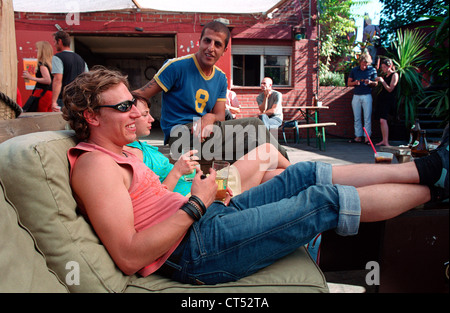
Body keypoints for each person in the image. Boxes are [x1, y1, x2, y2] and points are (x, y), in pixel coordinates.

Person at [62, 66, 448, 285]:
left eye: (135, 102)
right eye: (125, 106)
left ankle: (431, 171)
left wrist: (201, 196)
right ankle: (436, 188)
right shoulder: (95, 165)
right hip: (196, 248)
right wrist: (197, 201)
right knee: (320, 201)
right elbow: (129, 256)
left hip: (203, 218)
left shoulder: (125, 151)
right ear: (92, 117)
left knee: (305, 174)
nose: (137, 111)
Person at [135, 20, 288, 163]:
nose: (211, 48)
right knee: (254, 126)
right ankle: (294, 171)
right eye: (207, 41)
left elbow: (220, 114)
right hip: (180, 136)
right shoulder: (176, 67)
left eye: (217, 44)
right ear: (199, 42)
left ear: (224, 50)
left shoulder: (220, 78)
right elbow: (140, 95)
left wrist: (210, 116)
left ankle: (283, 174)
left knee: (259, 153)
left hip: (208, 134)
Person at [124, 92, 290, 197]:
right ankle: (310, 178)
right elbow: (156, 200)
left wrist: (193, 175)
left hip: (200, 186)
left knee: (277, 175)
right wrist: (177, 171)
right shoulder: (130, 157)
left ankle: (306, 181)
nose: (152, 119)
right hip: (203, 198)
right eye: (145, 115)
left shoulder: (141, 146)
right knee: (267, 148)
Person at [51, 31, 88, 112]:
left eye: (54, 41)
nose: (54, 44)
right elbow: (87, 79)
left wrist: (54, 102)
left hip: (63, 98)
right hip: (78, 98)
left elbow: (58, 79)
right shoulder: (81, 59)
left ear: (59, 41)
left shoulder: (58, 57)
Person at [348, 53, 378, 144]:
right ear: (360, 62)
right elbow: (349, 83)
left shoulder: (372, 70)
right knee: (357, 117)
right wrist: (354, 83)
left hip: (367, 94)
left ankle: (367, 137)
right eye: (363, 64)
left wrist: (370, 82)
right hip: (356, 95)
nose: (364, 66)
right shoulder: (354, 70)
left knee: (367, 117)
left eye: (366, 64)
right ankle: (358, 136)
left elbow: (376, 83)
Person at [22, 41, 53, 112]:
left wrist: (31, 77)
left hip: (42, 92)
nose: (36, 51)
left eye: (37, 49)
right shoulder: (51, 64)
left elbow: (47, 80)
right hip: (51, 93)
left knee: (39, 113)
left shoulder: (42, 64)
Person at [375, 58, 399, 146]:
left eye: (384, 67)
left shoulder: (394, 75)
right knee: (381, 119)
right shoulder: (385, 75)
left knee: (383, 119)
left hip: (389, 99)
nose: (383, 69)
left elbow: (390, 89)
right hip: (383, 98)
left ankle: (386, 141)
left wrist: (383, 81)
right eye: (382, 67)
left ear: (389, 66)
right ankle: (384, 139)